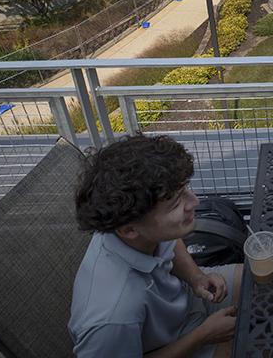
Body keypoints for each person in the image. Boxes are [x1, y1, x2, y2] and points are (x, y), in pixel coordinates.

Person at [69, 135, 243, 358]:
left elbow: (170, 241)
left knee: (270, 283)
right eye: (176, 204)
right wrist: (203, 336)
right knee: (263, 343)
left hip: (189, 303)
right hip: (178, 344)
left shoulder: (137, 229)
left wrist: (196, 277)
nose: (195, 202)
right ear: (130, 230)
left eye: (185, 190)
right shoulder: (112, 317)